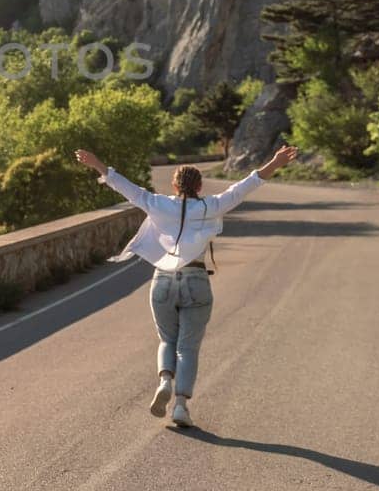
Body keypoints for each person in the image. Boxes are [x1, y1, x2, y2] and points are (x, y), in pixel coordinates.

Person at [73, 144, 299, 428]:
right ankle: (180, 406)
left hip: (162, 281)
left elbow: (127, 188)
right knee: (188, 347)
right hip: (196, 280)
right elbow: (245, 186)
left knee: (167, 340)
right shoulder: (212, 205)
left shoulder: (157, 203)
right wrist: (275, 162)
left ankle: (165, 380)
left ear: (174, 184)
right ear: (200, 186)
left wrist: (98, 165)